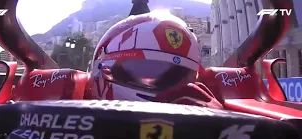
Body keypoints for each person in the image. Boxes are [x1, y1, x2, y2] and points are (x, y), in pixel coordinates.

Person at [89, 10, 222, 109]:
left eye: (176, 76)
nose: (171, 89)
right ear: (105, 70)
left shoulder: (206, 114)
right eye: (144, 71)